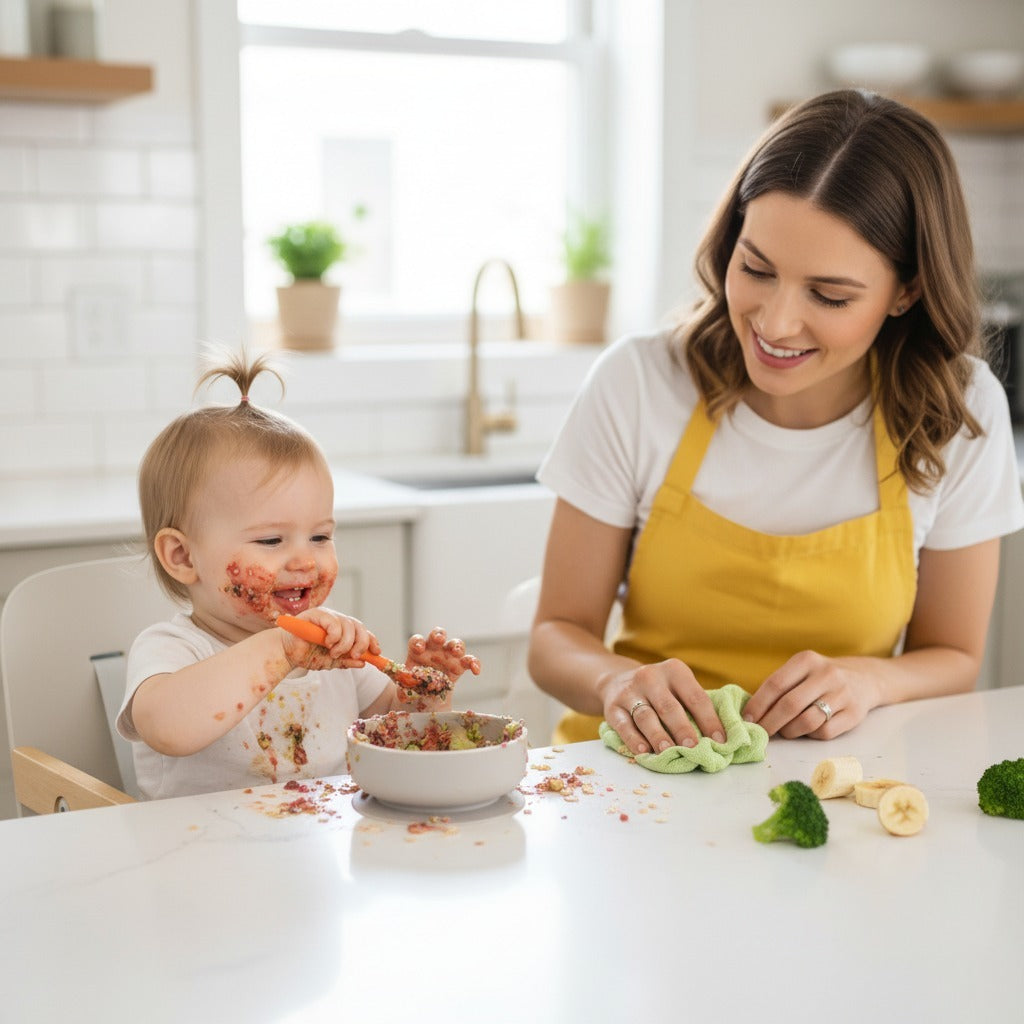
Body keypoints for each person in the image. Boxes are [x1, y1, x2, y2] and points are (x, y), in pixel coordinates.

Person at [528, 88, 1024, 753]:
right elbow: (557, 633)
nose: (775, 322)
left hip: (833, 787)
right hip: (626, 779)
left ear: (907, 291)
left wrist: (870, 682)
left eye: (829, 295)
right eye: (756, 269)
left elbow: (954, 654)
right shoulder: (641, 384)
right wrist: (616, 683)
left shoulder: (957, 411)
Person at [118, 350, 480, 799]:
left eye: (321, 537)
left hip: (319, 855)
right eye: (271, 541)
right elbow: (168, 729)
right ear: (182, 556)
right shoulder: (173, 650)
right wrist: (281, 649)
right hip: (199, 860)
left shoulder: (332, 648)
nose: (306, 561)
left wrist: (422, 693)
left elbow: (402, 737)